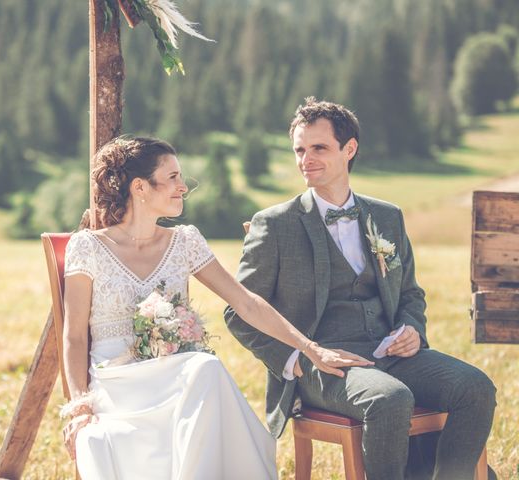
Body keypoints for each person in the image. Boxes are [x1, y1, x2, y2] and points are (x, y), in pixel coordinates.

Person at [225, 97, 497, 480]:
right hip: (323, 364)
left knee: (475, 387)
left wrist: (412, 331)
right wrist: (298, 359)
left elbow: (410, 293)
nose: (306, 159)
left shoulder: (386, 215)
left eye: (319, 148)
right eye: (300, 150)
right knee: (390, 398)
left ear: (349, 149)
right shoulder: (274, 224)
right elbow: (239, 311)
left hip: (392, 352)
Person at [60, 135, 329, 480]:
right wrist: (79, 407)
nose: (183, 187)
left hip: (175, 378)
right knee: (203, 369)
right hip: (116, 384)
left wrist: (308, 347)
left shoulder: (185, 241)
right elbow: (74, 337)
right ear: (140, 187)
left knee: (205, 368)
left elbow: (245, 302)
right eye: (172, 178)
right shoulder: (88, 247)